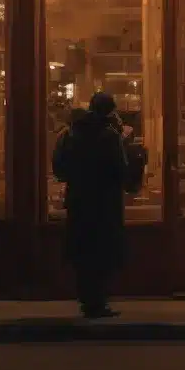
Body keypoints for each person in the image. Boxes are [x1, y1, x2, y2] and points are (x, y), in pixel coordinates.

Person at [52, 92, 133, 319]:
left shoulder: (70, 134)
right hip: (104, 203)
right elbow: (121, 170)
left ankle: (86, 298)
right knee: (102, 252)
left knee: (83, 251)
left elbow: (59, 167)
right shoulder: (109, 136)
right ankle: (97, 301)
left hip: (78, 201)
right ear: (110, 111)